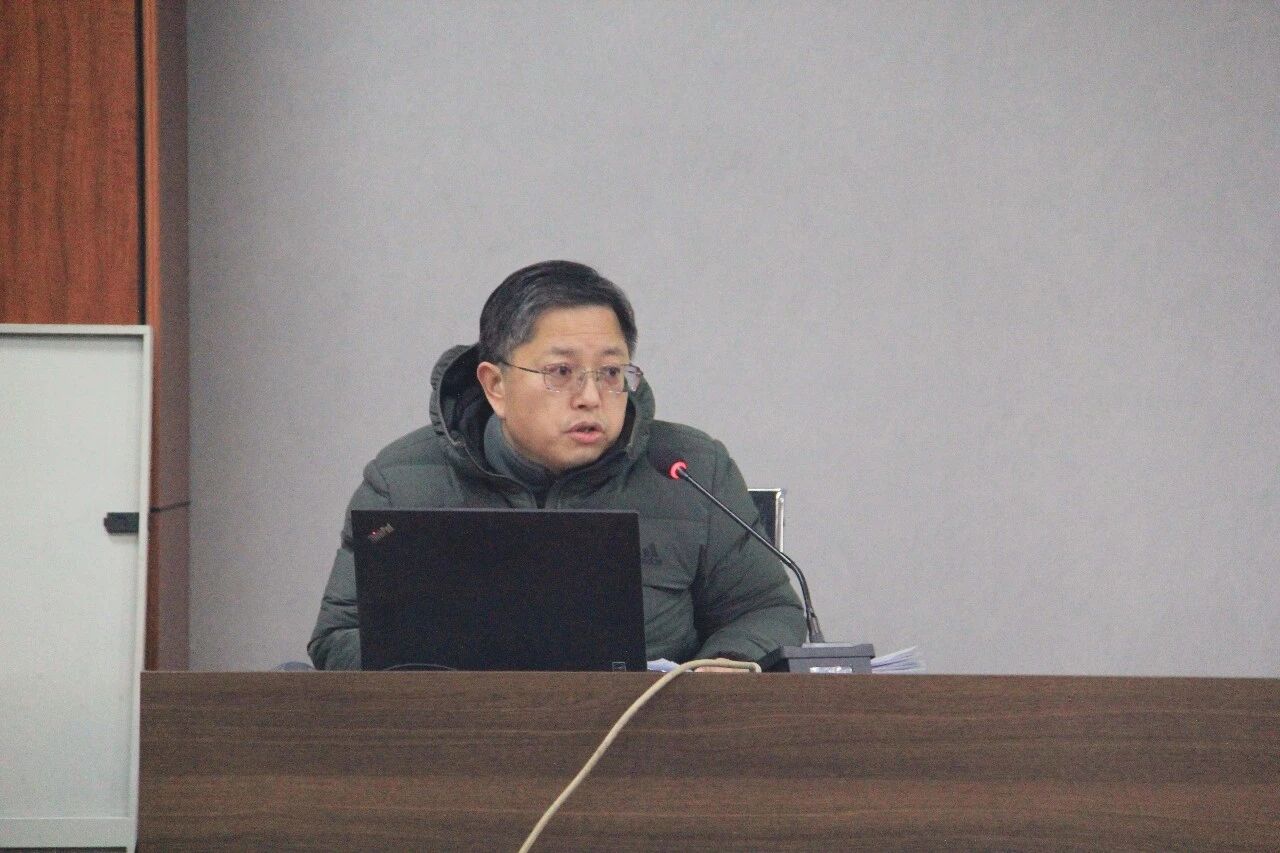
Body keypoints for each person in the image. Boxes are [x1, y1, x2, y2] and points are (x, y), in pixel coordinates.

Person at [308, 260, 805, 669]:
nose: (590, 397)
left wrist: (724, 665)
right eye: (561, 372)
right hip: (461, 739)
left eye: (610, 372)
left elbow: (767, 610)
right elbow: (339, 636)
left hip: (647, 740)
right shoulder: (403, 482)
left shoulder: (689, 469)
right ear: (495, 385)